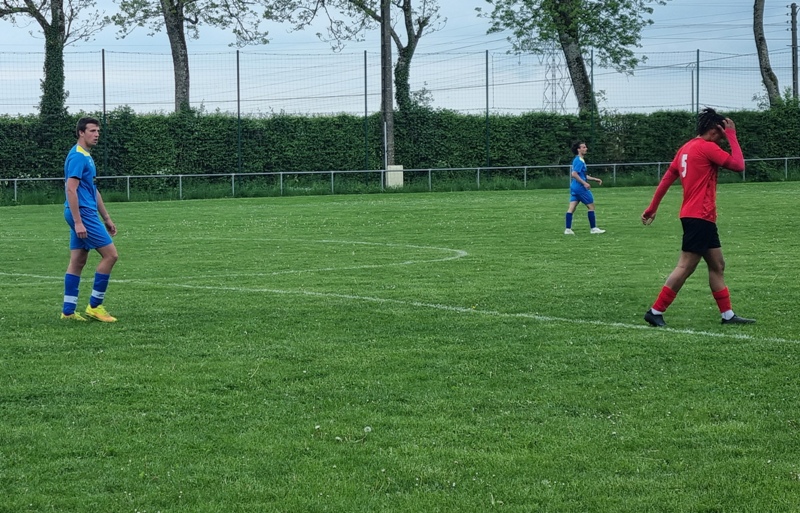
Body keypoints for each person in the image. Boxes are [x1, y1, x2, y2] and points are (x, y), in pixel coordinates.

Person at [641, 107, 754, 327]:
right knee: (686, 266)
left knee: (717, 265)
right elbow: (739, 165)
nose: (722, 139)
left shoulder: (685, 148)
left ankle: (728, 315)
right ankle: (655, 311)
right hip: (699, 216)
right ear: (715, 130)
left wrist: (652, 207)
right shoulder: (707, 147)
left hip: (698, 217)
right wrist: (732, 135)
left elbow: (667, 179)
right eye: (721, 134)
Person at [61, 117, 119, 322]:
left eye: (98, 131)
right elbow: (71, 189)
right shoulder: (78, 156)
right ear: (81, 132)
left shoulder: (86, 156)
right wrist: (78, 221)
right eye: (92, 131)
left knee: (78, 260)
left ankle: (68, 311)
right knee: (111, 255)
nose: (97, 135)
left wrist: (107, 217)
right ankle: (95, 306)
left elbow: (92, 190)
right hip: (82, 213)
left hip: (83, 212)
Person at [565, 141, 605, 235]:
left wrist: (594, 179)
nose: (586, 149)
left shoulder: (578, 160)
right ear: (578, 149)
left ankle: (568, 229)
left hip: (574, 187)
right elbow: (574, 174)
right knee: (591, 207)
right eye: (583, 147)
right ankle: (593, 228)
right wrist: (584, 183)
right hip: (580, 188)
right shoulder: (579, 161)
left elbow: (582, 175)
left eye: (585, 147)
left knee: (571, 208)